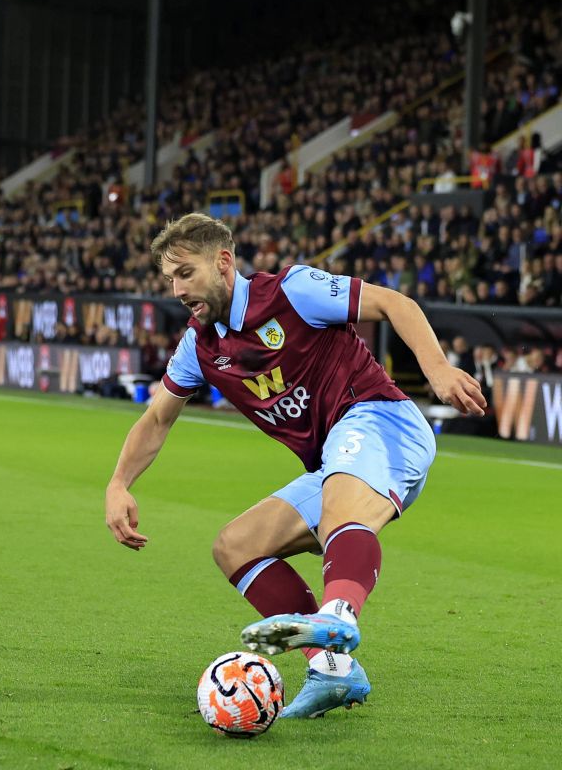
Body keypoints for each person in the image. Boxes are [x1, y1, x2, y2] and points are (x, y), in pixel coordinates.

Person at [103, 213, 485, 718]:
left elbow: (394, 302)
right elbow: (155, 420)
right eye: (170, 279)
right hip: (337, 462)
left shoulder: (293, 291)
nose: (176, 289)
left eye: (186, 273)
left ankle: (338, 615)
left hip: (382, 422)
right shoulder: (200, 346)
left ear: (223, 263)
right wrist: (118, 483)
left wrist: (436, 370)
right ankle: (333, 669)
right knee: (236, 546)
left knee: (338, 507)